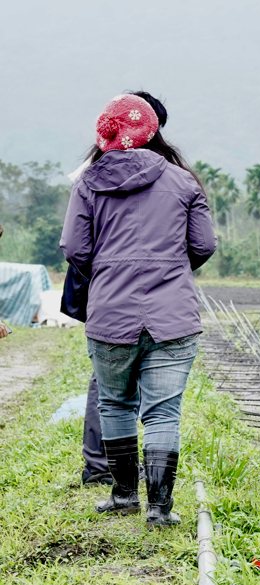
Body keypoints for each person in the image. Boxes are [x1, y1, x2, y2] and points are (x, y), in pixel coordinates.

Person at [60, 94, 217, 527]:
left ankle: (124, 495)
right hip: (173, 314)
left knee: (114, 403)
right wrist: (169, 269)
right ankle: (160, 509)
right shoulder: (183, 182)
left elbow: (76, 249)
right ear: (152, 129)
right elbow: (203, 245)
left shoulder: (88, 182)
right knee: (163, 412)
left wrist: (110, 271)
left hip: (110, 312)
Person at [73, 91, 172, 488]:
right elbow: (200, 244)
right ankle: (149, 488)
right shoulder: (172, 175)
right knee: (159, 401)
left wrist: (103, 275)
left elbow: (75, 246)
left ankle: (106, 472)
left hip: (107, 293)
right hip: (158, 296)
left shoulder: (91, 172)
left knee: (108, 386)